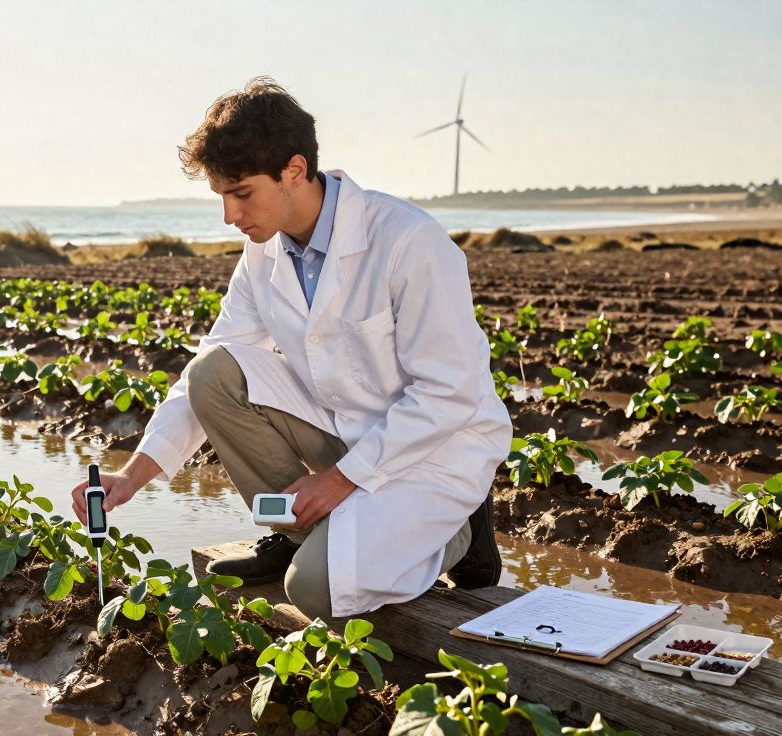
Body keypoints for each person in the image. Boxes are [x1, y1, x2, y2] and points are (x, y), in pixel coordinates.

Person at [70, 77, 512, 620]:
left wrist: (339, 480)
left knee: (313, 593)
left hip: (433, 451)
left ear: (295, 171)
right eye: (222, 197)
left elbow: (450, 393)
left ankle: (461, 531)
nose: (229, 216)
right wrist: (131, 476)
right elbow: (207, 371)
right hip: (346, 433)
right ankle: (303, 533)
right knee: (216, 373)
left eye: (242, 193)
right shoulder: (263, 256)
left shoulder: (407, 241)